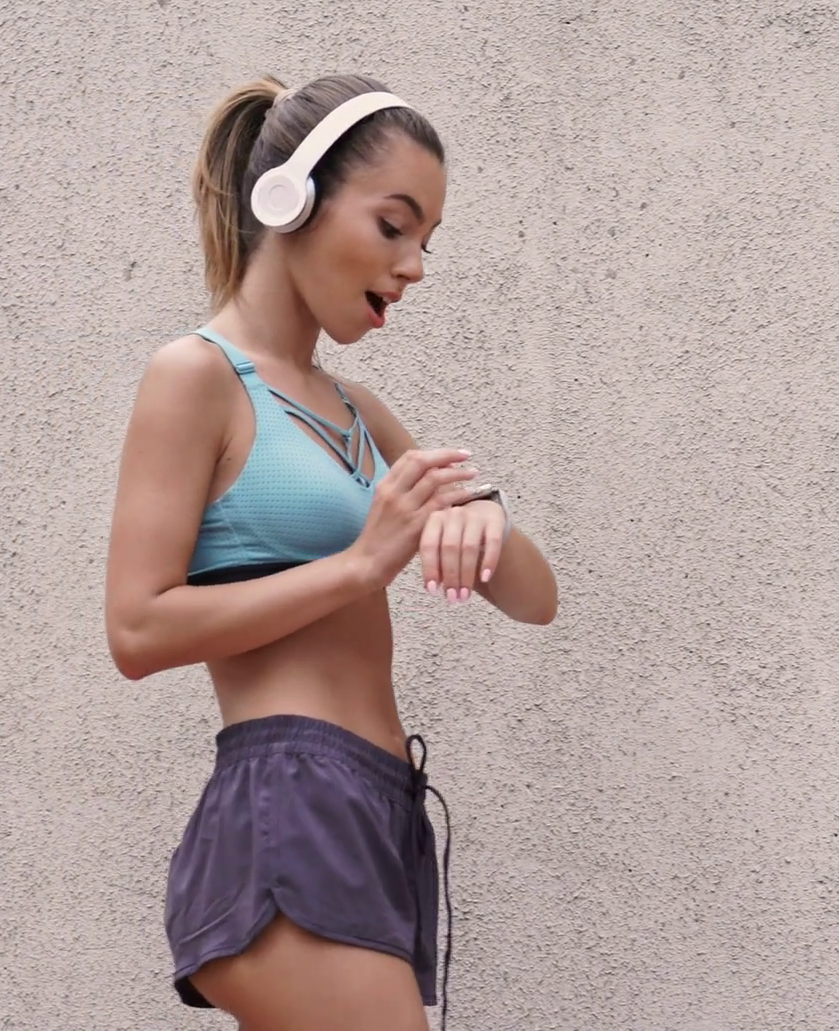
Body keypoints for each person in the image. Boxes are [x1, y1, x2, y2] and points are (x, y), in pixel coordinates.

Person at [103, 73, 560, 1031]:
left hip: (378, 808)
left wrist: (484, 515)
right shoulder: (196, 377)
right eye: (393, 227)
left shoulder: (360, 412)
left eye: (428, 241)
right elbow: (137, 630)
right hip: (289, 798)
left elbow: (535, 599)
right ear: (290, 201)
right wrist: (359, 567)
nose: (415, 266)